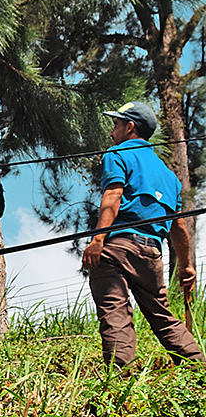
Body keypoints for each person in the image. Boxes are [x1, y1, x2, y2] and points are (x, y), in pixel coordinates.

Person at [82, 101, 204, 367]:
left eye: (116, 126)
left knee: (115, 312)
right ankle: (198, 367)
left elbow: (113, 195)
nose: (111, 133)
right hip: (152, 253)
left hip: (117, 248)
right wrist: (186, 266)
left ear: (130, 127)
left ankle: (118, 378)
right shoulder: (169, 176)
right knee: (162, 316)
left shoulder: (116, 155)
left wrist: (98, 239)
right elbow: (178, 226)